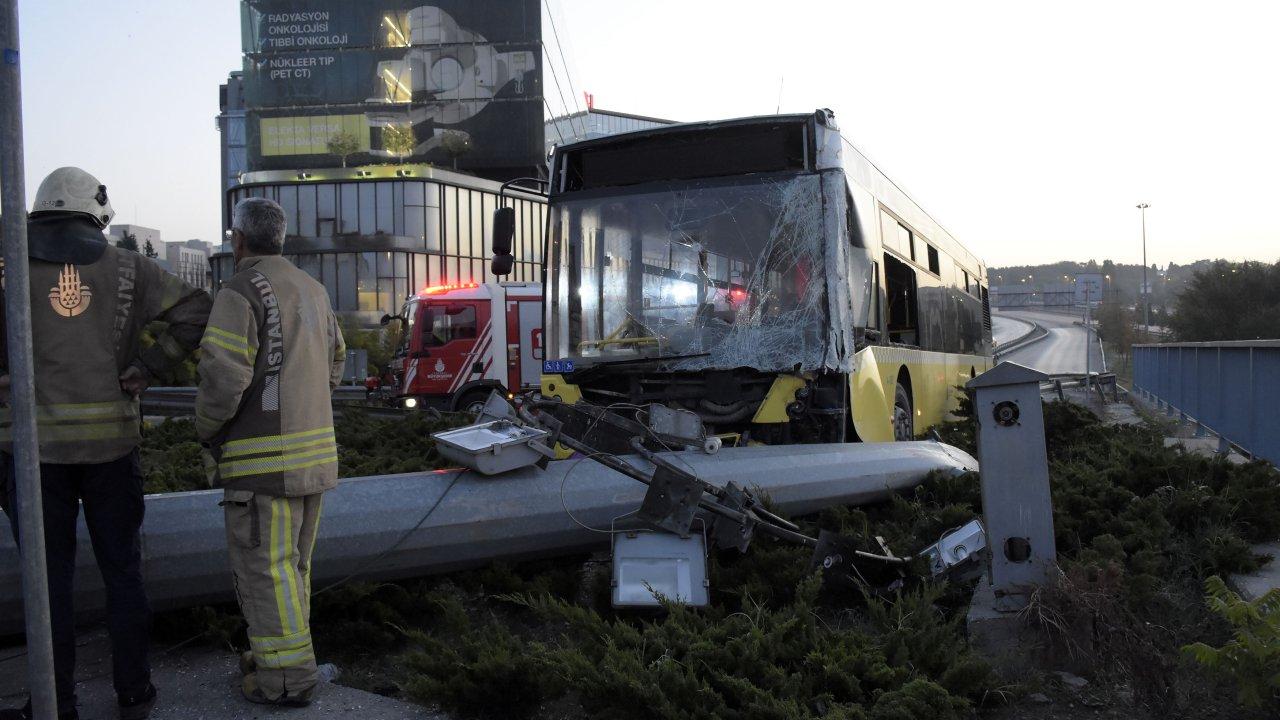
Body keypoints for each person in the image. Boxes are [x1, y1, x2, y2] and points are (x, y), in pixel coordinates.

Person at [0, 167, 212, 720]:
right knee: (123, 572)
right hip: (112, 448)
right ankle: (134, 692)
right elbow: (197, 310)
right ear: (96, 216)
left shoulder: (8, 265)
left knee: (48, 583)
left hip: (30, 454)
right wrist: (148, 365)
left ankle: (54, 702)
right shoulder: (128, 267)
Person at [195, 197, 345, 707]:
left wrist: (207, 433)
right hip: (315, 458)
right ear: (280, 237)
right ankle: (277, 659)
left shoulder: (239, 291)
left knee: (266, 571)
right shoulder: (314, 290)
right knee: (293, 571)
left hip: (262, 467)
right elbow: (335, 364)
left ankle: (286, 680)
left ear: (238, 240)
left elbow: (222, 379)